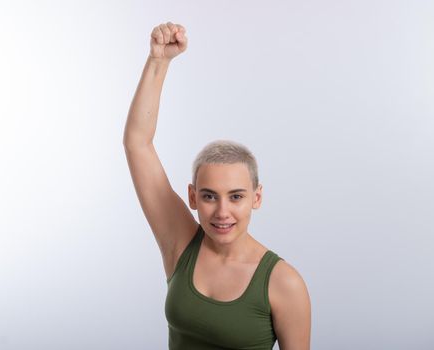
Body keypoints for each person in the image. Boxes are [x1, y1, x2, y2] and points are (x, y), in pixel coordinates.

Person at [123, 21, 311, 350]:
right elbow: (138, 143)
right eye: (210, 196)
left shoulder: (283, 283)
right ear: (193, 197)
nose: (222, 212)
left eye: (235, 196)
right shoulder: (181, 245)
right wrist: (158, 60)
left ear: (257, 197)